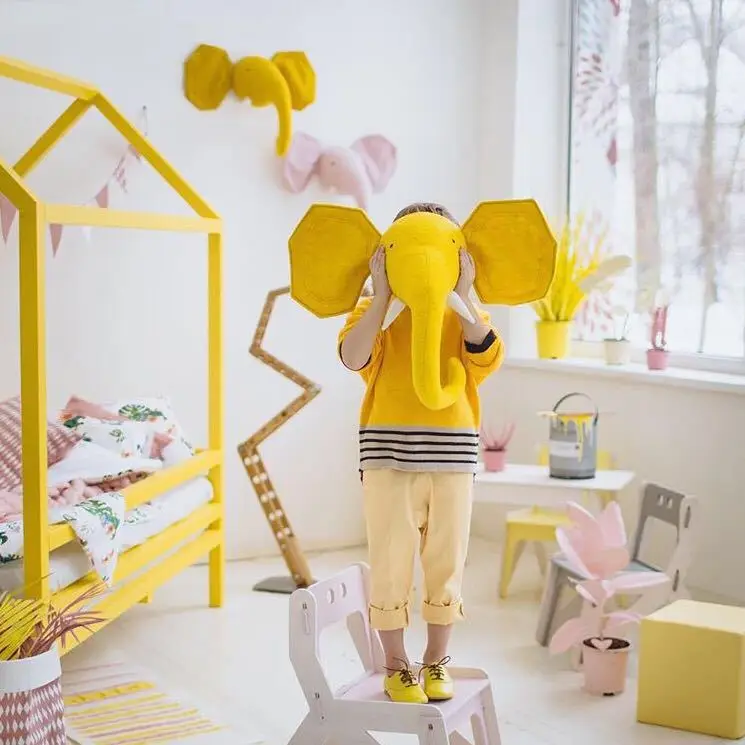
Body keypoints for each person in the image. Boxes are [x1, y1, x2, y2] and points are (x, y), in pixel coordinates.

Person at [338, 202, 504, 704]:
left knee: (446, 559)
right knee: (390, 560)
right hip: (387, 456)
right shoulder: (373, 313)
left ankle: (435, 660)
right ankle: (396, 665)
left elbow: (487, 356)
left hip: (452, 456)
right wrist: (381, 296)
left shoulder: (467, 312)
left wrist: (464, 296)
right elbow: (352, 357)